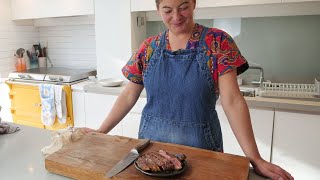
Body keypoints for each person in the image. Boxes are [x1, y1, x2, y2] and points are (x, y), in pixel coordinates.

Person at [82, 0, 293, 179]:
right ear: (158, 10)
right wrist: (102, 131)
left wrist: (254, 157)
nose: (176, 16)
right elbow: (129, 95)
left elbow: (233, 101)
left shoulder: (217, 42)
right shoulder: (148, 48)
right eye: (167, 10)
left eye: (183, 6)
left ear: (194, 3)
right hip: (151, 152)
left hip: (202, 152)